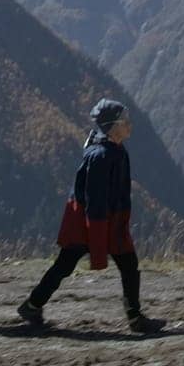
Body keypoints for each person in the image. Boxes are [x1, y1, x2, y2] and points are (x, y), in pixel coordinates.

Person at [17, 98, 165, 333]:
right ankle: (32, 305)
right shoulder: (101, 156)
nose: (130, 125)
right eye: (125, 121)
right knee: (65, 265)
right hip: (90, 222)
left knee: (127, 264)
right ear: (112, 126)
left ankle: (135, 317)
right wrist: (98, 241)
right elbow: (95, 201)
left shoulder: (115, 150)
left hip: (108, 219)